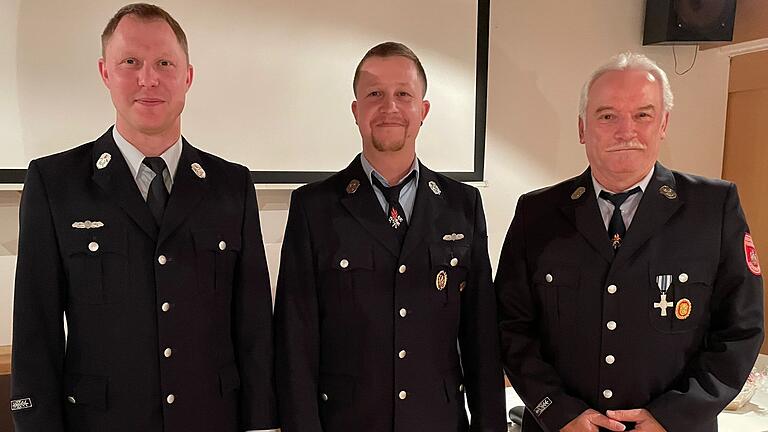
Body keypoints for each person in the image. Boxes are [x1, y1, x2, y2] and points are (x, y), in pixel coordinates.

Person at [10, 4, 277, 431]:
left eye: (164, 63)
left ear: (187, 76)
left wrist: (262, 424)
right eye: (130, 62)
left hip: (211, 419)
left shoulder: (232, 186)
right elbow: (35, 331)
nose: (147, 79)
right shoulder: (54, 183)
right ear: (105, 72)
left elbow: (254, 328)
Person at [496, 52, 764, 432]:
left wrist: (672, 417)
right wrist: (557, 410)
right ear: (582, 128)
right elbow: (512, 326)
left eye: (643, 115)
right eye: (607, 116)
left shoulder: (713, 208)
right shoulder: (536, 214)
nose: (626, 131)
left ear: (663, 123)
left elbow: (741, 329)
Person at [274, 41, 506, 432]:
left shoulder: (461, 205)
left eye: (403, 94)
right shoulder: (314, 208)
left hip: (439, 422)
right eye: (375, 95)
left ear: (423, 110)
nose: (390, 107)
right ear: (356, 110)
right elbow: (294, 344)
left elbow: (481, 338)